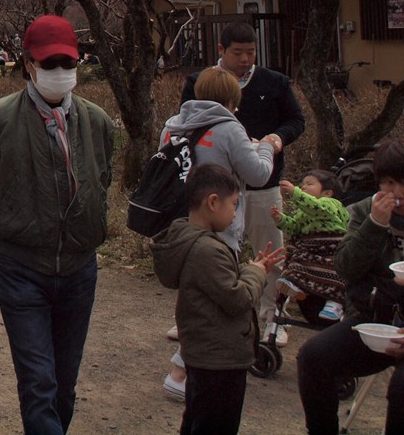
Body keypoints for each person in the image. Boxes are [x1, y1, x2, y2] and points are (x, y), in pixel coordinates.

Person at [0, 15, 115, 435]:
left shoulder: (97, 120)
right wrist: (12, 231)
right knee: (38, 382)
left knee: (65, 385)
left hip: (81, 267)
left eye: (68, 63)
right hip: (22, 269)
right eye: (49, 64)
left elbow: (103, 178)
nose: (60, 73)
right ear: (28, 64)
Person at [159, 66, 281, 397]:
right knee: (217, 304)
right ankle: (181, 373)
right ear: (231, 99)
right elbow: (258, 175)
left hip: (181, 226)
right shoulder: (229, 128)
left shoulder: (173, 126)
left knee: (192, 299)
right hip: (218, 226)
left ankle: (184, 372)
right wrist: (268, 146)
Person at [181, 21, 305, 344]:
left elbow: (296, 120)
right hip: (214, 193)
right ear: (221, 51)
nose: (246, 59)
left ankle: (274, 317)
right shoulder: (200, 82)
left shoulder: (274, 82)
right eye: (238, 53)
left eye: (251, 52)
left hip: (263, 183)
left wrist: (277, 138)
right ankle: (197, 318)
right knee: (211, 254)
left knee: (271, 250)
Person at [152, 164, 284, 435]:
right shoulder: (207, 250)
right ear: (213, 202)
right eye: (234, 205)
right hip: (220, 359)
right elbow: (238, 298)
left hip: (202, 354)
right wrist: (256, 273)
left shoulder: (187, 237)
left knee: (197, 419)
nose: (235, 213)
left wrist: (251, 269)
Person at [298, 139, 404, 434]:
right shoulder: (363, 211)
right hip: (374, 324)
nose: (397, 193)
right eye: (389, 183)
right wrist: (375, 225)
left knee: (401, 390)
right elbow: (345, 268)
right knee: (313, 357)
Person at [271, 170, 350, 321]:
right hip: (311, 250)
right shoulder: (303, 211)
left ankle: (335, 302)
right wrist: (280, 219)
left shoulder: (331, 204)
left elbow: (317, 208)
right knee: (297, 258)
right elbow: (295, 227)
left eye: (309, 184)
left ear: (327, 193)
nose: (303, 187)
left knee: (336, 272)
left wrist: (295, 193)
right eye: (302, 185)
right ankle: (296, 284)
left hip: (331, 249)